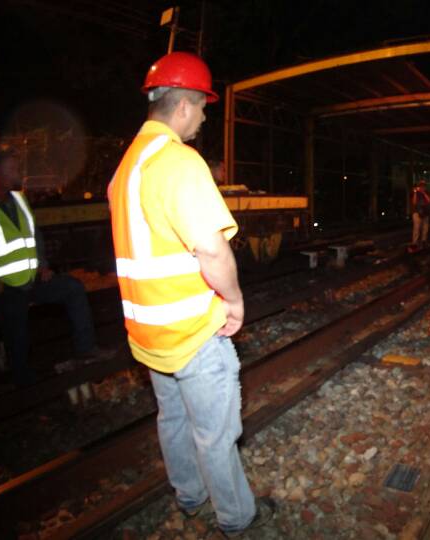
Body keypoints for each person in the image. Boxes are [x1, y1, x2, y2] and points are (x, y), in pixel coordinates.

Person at [108, 51, 273, 536]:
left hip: (148, 332)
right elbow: (212, 250)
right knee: (215, 436)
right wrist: (236, 301)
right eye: (203, 107)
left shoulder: (125, 169)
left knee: (172, 419)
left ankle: (190, 496)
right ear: (183, 106)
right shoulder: (178, 162)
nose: (203, 117)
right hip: (192, 331)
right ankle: (237, 519)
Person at [0, 145, 110, 386]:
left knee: (73, 288)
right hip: (6, 289)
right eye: (12, 168)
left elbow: (34, 236)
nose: (18, 172)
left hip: (32, 280)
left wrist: (43, 266)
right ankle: (27, 391)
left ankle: (86, 349)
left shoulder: (19, 199)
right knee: (19, 344)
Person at [410, 180, 430, 249]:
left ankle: (423, 241)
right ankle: (415, 242)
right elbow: (414, 202)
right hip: (417, 212)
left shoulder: (427, 193)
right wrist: (415, 192)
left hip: (426, 212)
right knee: (416, 228)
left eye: (424, 186)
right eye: (421, 186)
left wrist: (424, 193)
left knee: (425, 228)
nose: (422, 187)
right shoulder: (415, 193)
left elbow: (429, 201)